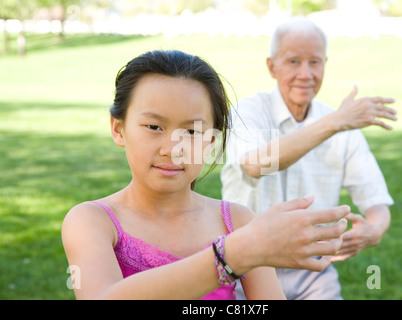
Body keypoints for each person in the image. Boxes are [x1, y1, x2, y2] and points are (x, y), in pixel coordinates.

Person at [61, 49, 350, 300]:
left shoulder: (237, 222)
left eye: (192, 131)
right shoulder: (92, 221)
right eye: (154, 127)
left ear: (211, 142)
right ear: (118, 128)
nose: (174, 149)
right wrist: (231, 256)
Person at [221, 17, 397, 300]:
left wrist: (374, 230)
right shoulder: (248, 112)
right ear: (272, 66)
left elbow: (376, 199)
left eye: (315, 62)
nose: (305, 74)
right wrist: (335, 122)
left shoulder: (342, 125)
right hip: (247, 265)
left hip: (314, 272)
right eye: (293, 61)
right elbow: (256, 164)